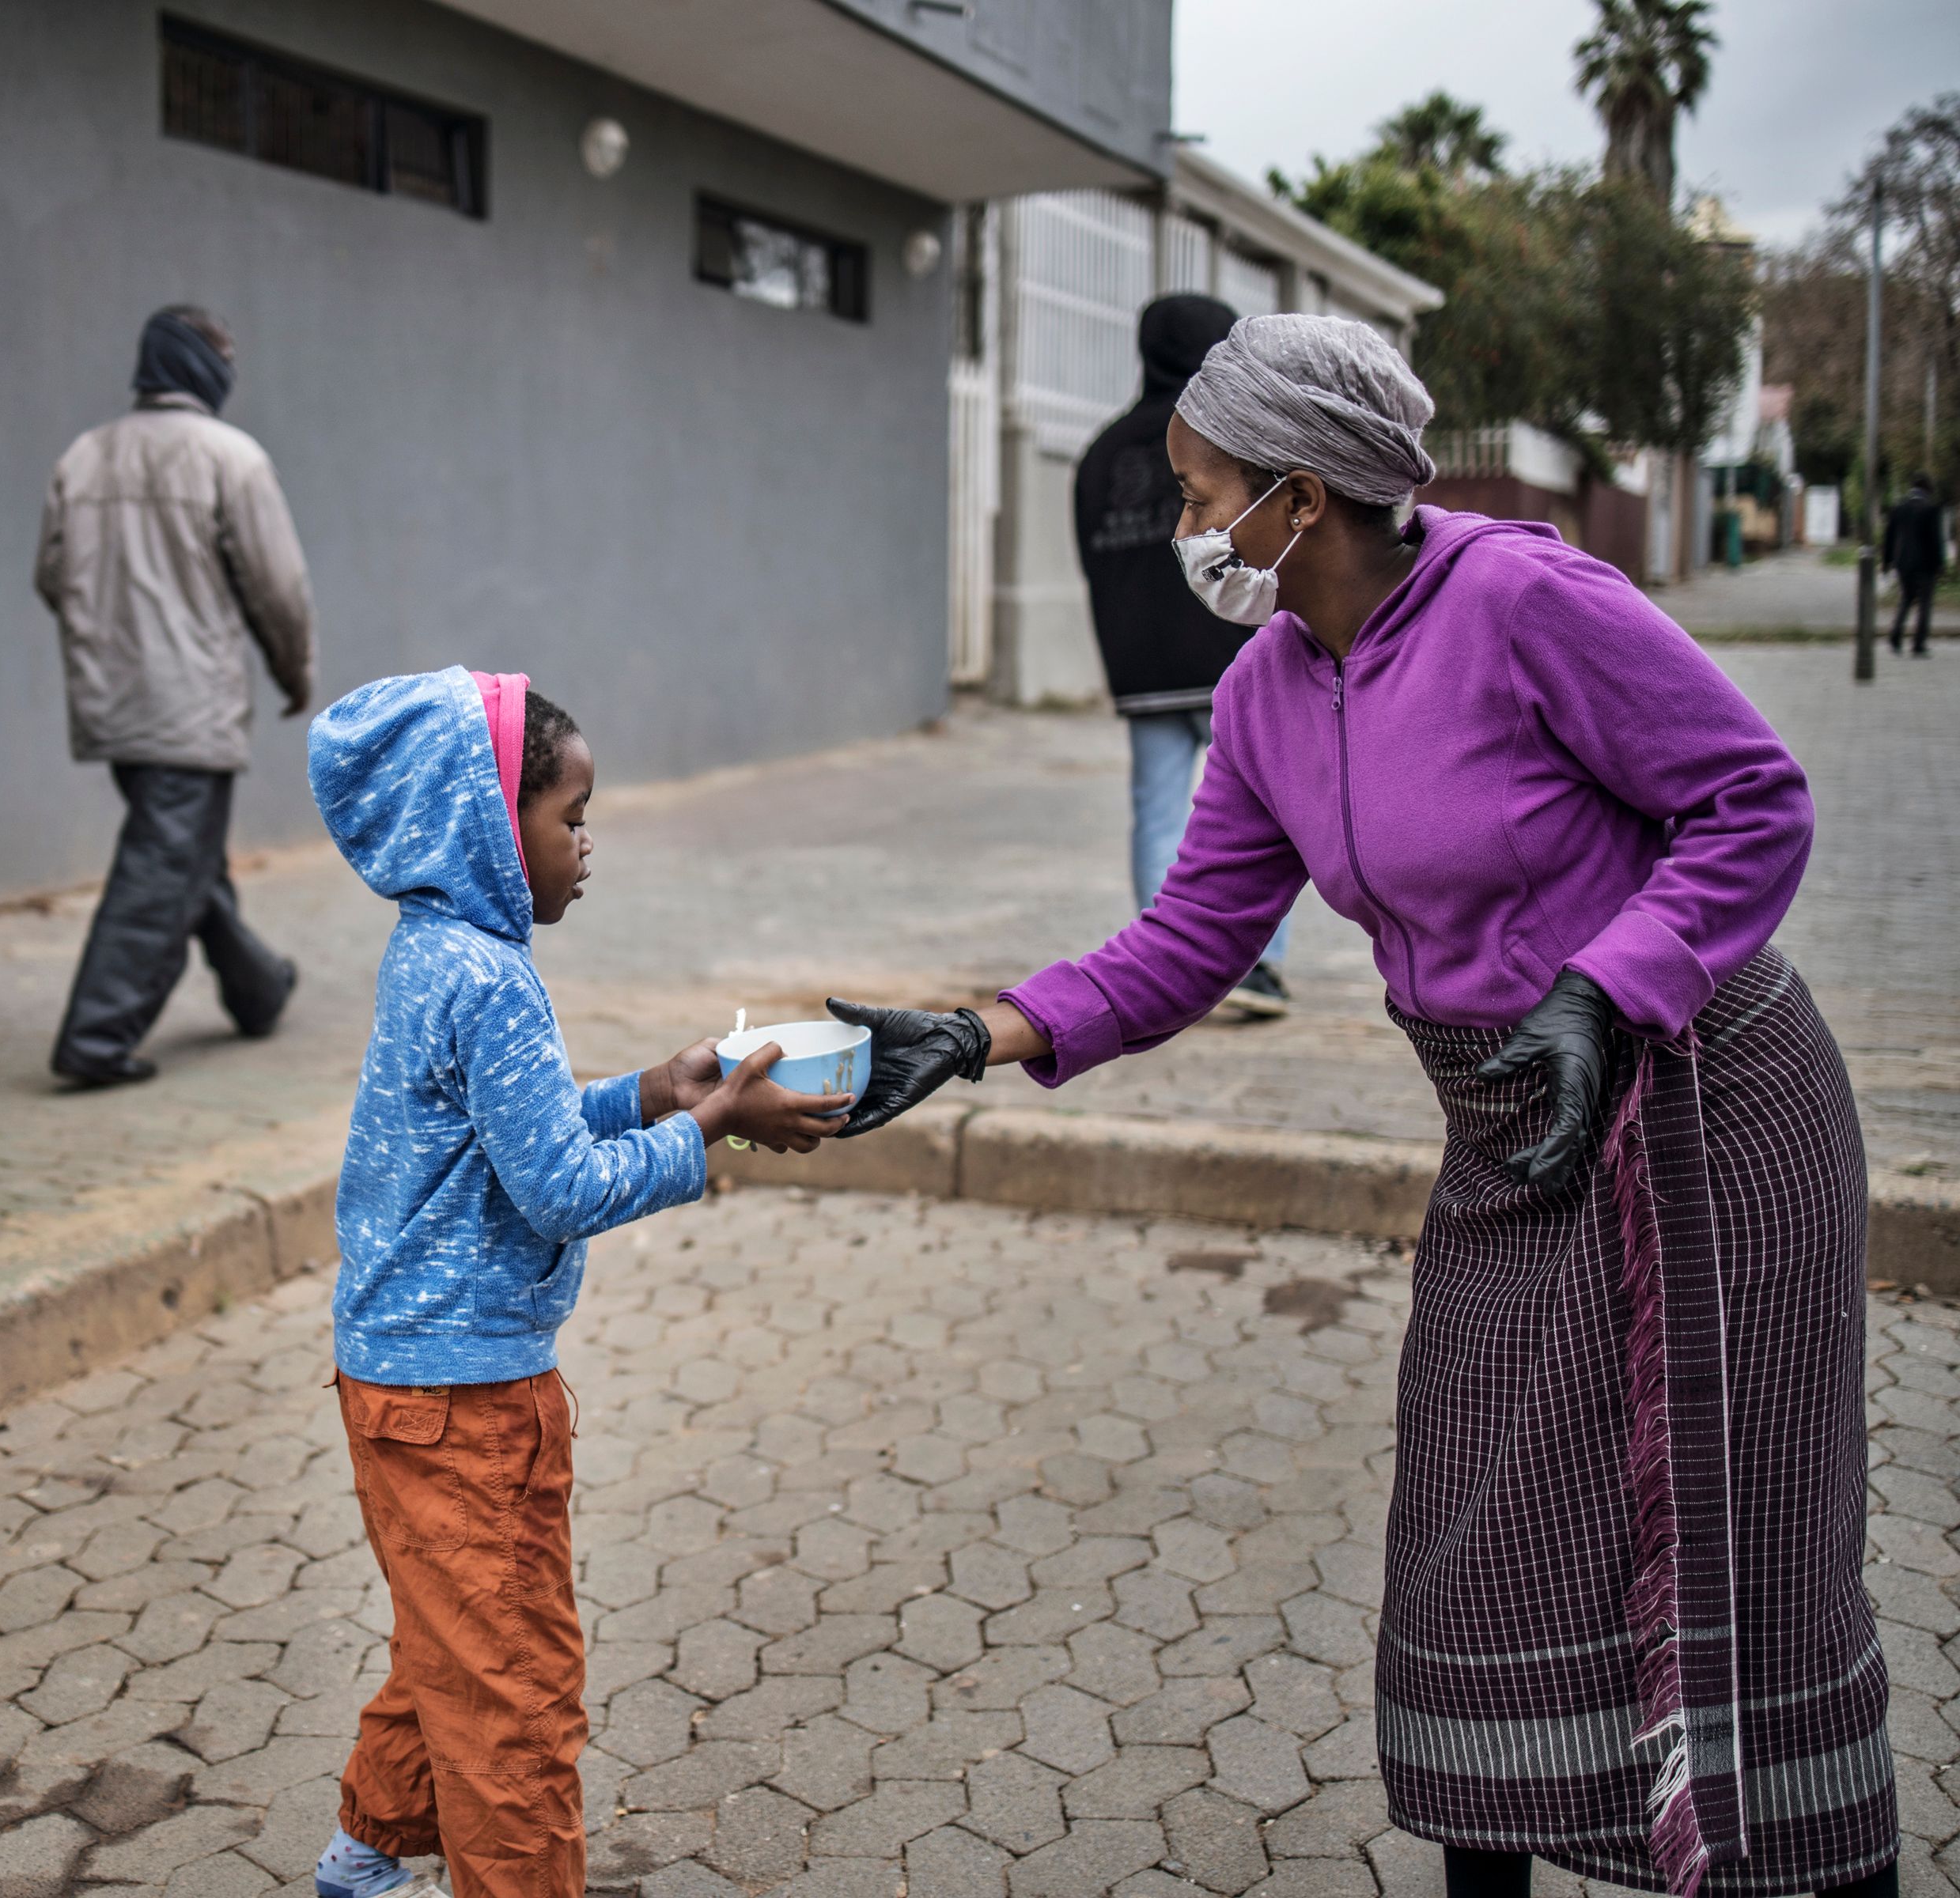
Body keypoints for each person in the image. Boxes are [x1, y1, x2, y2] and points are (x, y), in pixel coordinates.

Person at [831, 316, 1894, 1898]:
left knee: (1738, 1570)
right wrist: (979, 1033)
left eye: (1204, 497)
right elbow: (1190, 937)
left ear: (1304, 498)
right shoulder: (1268, 686)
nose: (1191, 529)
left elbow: (1755, 799)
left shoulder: (1531, 602)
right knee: (1471, 1558)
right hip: (1506, 1137)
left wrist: (1610, 984)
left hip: (1700, 1113)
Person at [305, 667, 847, 1898]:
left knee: (452, 1639)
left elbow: (521, 1131)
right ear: (490, 825)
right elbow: (558, 1189)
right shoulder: (491, 978)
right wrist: (713, 1129)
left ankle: (368, 1854)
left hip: (396, 1376)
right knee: (517, 1697)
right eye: (571, 814)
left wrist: (656, 1091)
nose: (587, 845)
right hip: (466, 1404)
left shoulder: (438, 947)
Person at [33, 306, 313, 1089]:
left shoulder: (83, 457)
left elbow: (51, 577)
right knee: (164, 868)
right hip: (191, 707)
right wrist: (294, 672)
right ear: (196, 364)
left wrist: (109, 640)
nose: (231, 366)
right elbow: (279, 589)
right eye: (224, 353)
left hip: (112, 705)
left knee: (183, 857)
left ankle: (259, 989)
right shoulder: (232, 457)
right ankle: (95, 1035)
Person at [1075, 293, 1296, 1018]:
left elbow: (1092, 559)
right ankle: (1257, 966)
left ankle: (1163, 971)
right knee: (1265, 809)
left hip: (1141, 667)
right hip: (1228, 655)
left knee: (1158, 813)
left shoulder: (1102, 452)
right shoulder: (1223, 443)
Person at [1882, 474, 1943, 656]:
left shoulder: (1899, 508)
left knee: (1906, 600)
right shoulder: (1931, 509)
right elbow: (1935, 540)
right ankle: (1918, 643)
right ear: (1927, 489)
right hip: (1925, 565)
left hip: (1903, 564)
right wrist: (1940, 564)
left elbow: (1890, 537)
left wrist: (1887, 562)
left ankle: (1895, 636)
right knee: (1925, 603)